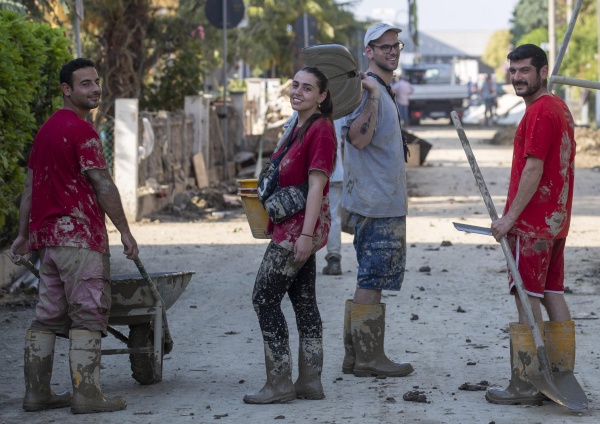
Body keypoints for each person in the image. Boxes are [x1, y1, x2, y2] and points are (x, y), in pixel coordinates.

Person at [10, 58, 139, 414]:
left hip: (48, 243)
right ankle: (87, 395)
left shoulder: (46, 130)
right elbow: (102, 184)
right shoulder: (83, 132)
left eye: (96, 81)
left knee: (47, 316)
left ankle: (36, 394)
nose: (95, 88)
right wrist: (125, 232)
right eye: (85, 84)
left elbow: (29, 190)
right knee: (88, 313)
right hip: (80, 239)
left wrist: (24, 236)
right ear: (67, 90)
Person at [485, 44, 577, 406]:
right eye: (513, 71)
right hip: (556, 221)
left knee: (525, 296)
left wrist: (509, 219)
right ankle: (559, 373)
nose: (518, 77)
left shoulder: (539, 112)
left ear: (543, 72)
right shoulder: (559, 107)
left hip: (533, 223)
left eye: (525, 70)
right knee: (551, 292)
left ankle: (526, 383)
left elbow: (534, 168)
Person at [244, 66, 336, 404]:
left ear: (322, 96)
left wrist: (306, 236)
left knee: (264, 298)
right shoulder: (298, 125)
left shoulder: (321, 130)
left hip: (298, 230)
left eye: (308, 88)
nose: (298, 92)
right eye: (295, 85)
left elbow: (316, 187)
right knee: (304, 301)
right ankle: (310, 382)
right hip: (294, 227)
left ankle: (279, 383)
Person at [340, 22, 414, 378]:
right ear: (368, 51)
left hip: (378, 199)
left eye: (395, 45)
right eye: (383, 46)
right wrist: (370, 96)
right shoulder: (366, 90)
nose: (392, 51)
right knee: (372, 277)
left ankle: (356, 356)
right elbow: (357, 139)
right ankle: (370, 358)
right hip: (376, 203)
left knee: (369, 276)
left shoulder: (382, 88)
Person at [322, 118, 345, 276]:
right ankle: (334, 258)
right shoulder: (342, 109)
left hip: (311, 173)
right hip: (336, 172)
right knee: (333, 217)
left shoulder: (305, 104)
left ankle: (301, 261)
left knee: (306, 217)